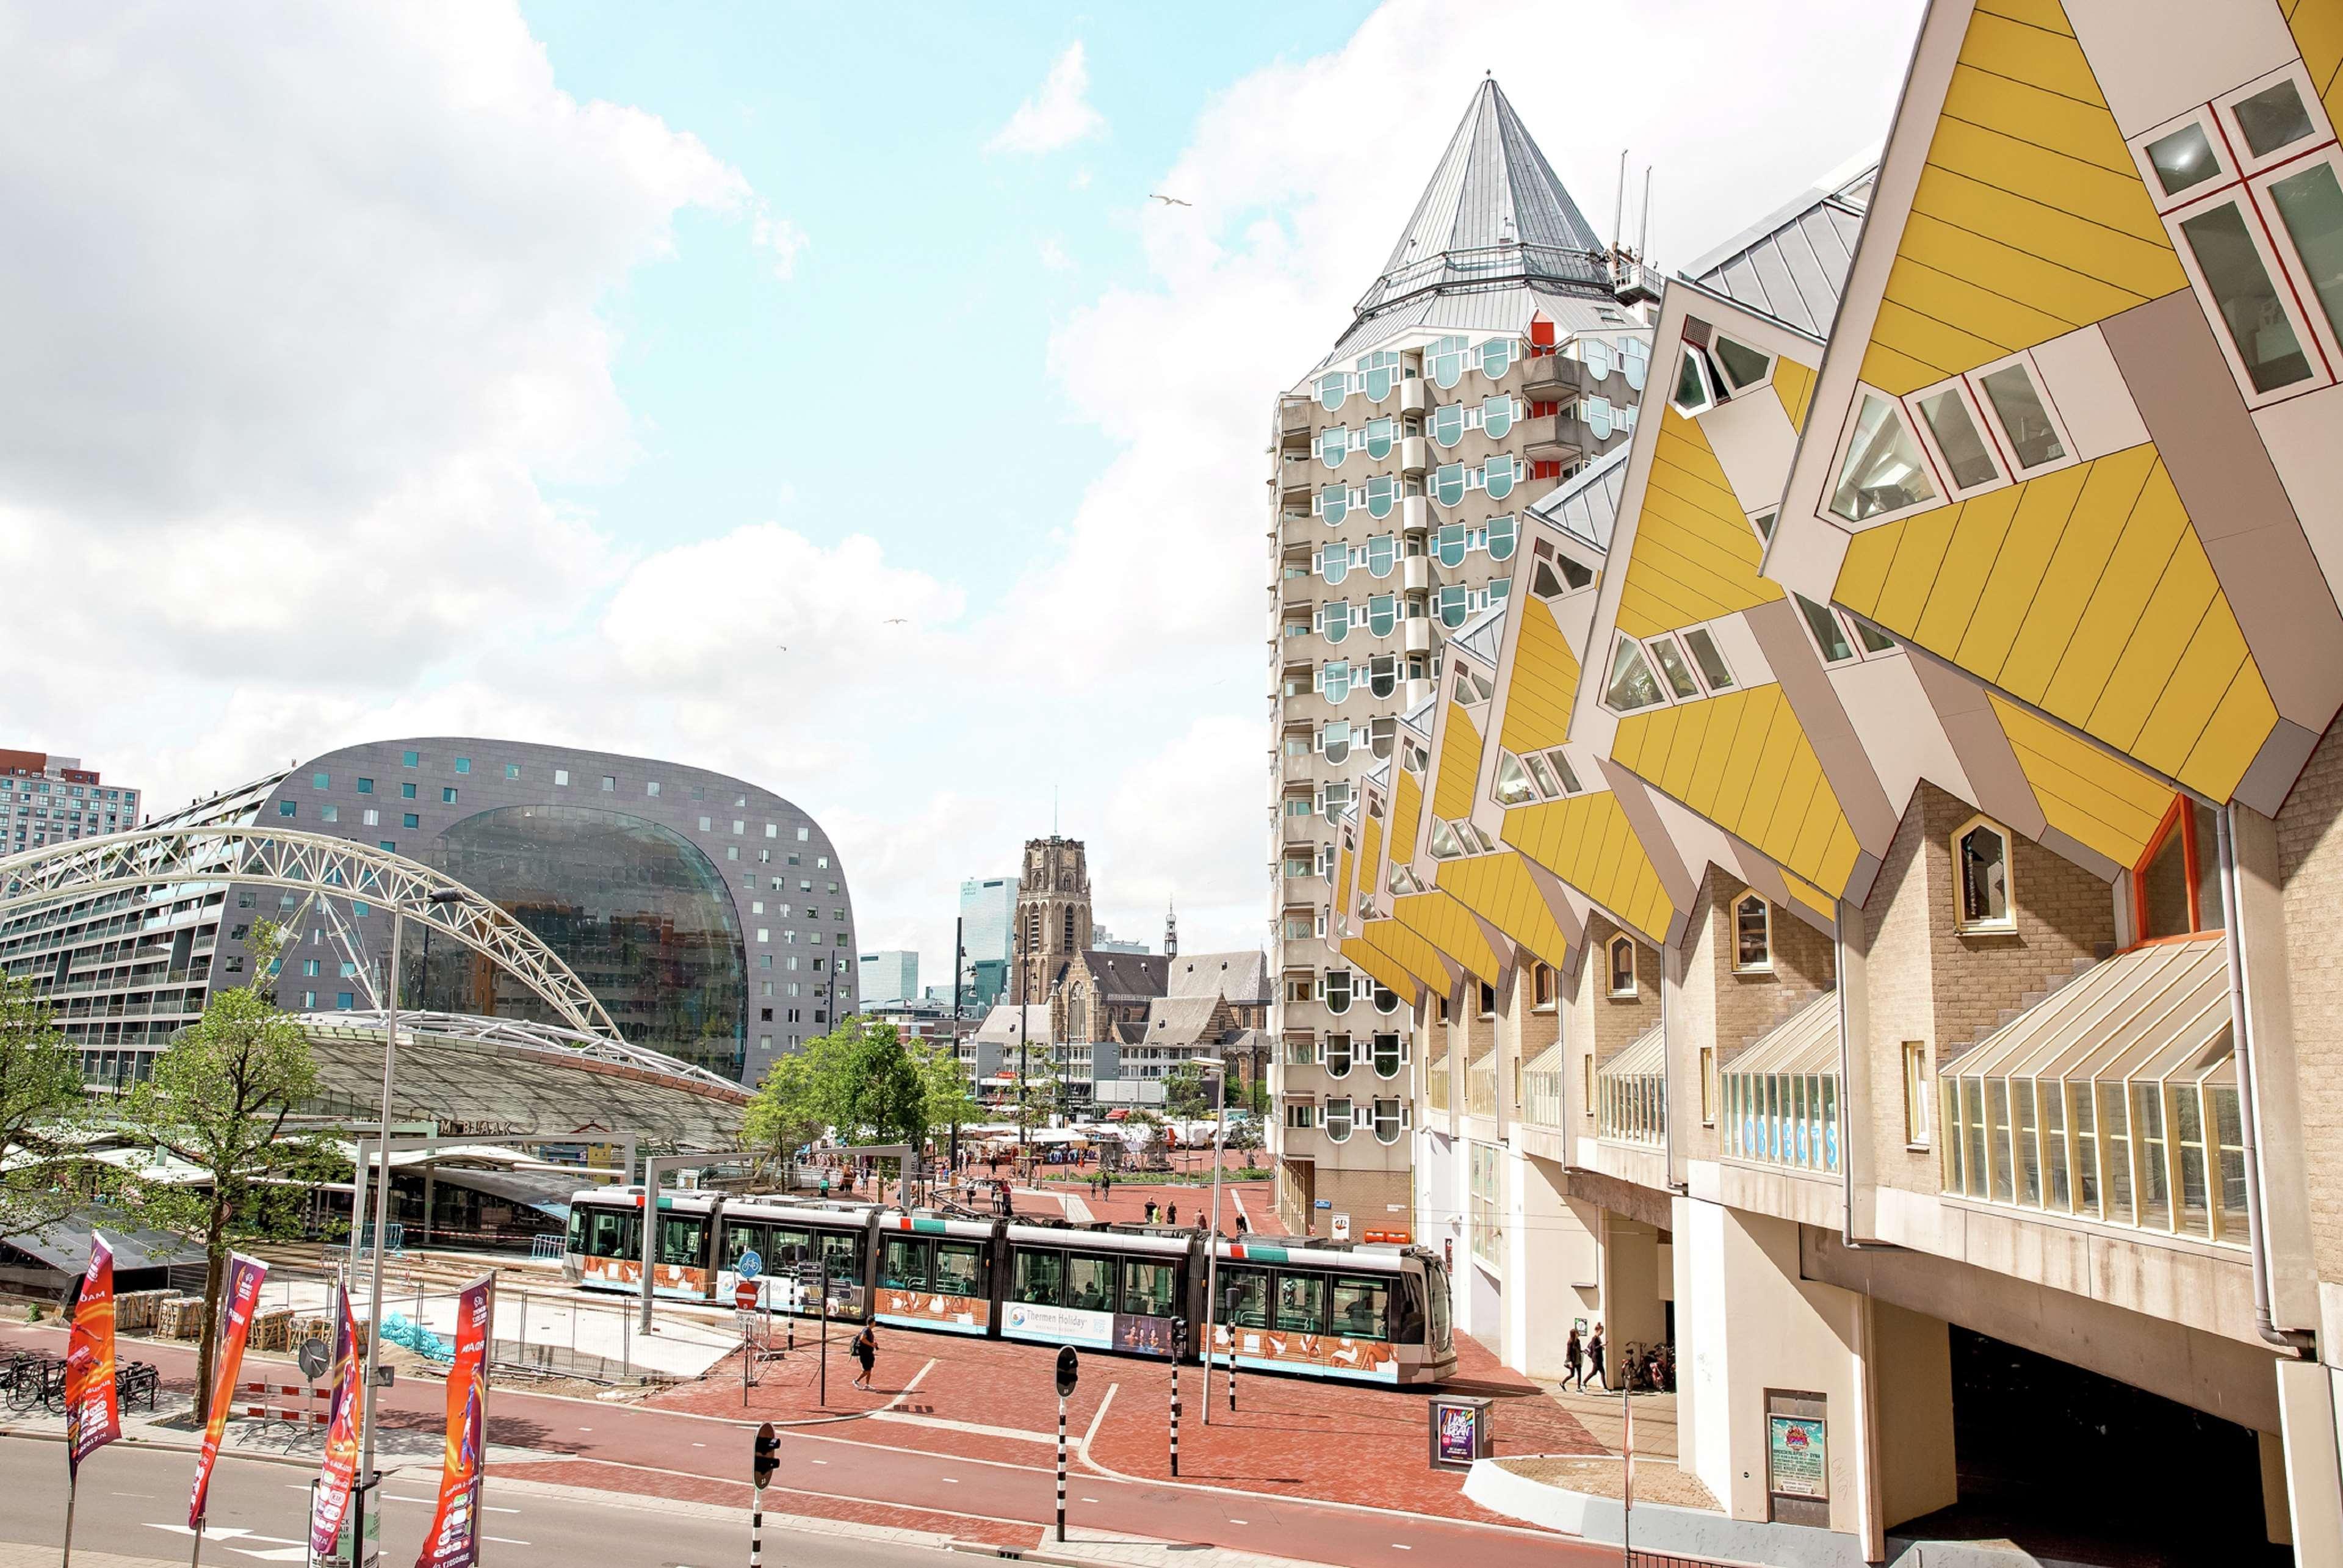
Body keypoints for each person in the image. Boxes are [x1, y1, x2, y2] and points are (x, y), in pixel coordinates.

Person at [851, 1323, 878, 1391]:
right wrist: (871, 1344)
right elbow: (862, 1338)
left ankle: (867, 1385)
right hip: (865, 1354)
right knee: (867, 1370)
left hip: (869, 1353)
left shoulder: (869, 1331)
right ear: (872, 1323)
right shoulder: (866, 1330)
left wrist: (873, 1344)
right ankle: (856, 1381)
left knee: (869, 1370)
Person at [1586, 1322, 1607, 1392]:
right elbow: (1595, 1348)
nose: (1602, 1333)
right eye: (1601, 1332)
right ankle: (1606, 1389)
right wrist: (1601, 1346)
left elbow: (1597, 1347)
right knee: (1602, 1372)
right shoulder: (1594, 1338)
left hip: (1599, 1358)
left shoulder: (1598, 1338)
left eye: (1602, 1332)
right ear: (1597, 1331)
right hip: (1596, 1358)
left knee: (1594, 1373)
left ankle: (1584, 1383)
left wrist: (1602, 1347)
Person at [1564, 1325, 1584, 1392]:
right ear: (1574, 1334)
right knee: (1572, 1375)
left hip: (1578, 1360)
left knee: (1579, 1374)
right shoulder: (1570, 1342)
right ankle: (1562, 1383)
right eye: (1577, 1333)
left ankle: (1579, 1388)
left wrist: (1583, 1351)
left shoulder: (1578, 1341)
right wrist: (1569, 1361)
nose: (1578, 1334)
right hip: (1573, 1361)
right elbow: (1568, 1353)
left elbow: (1579, 1350)